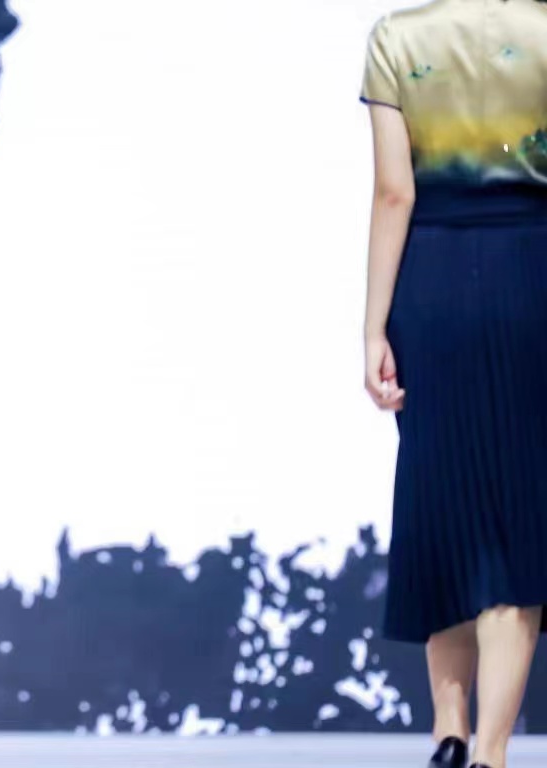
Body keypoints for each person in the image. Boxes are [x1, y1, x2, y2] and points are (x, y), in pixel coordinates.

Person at [360, 2, 547, 766]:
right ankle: (492, 752)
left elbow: (394, 192)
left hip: (430, 281)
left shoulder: (395, 36)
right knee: (518, 520)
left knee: (443, 504)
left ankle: (449, 726)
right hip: (531, 275)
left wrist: (373, 327)